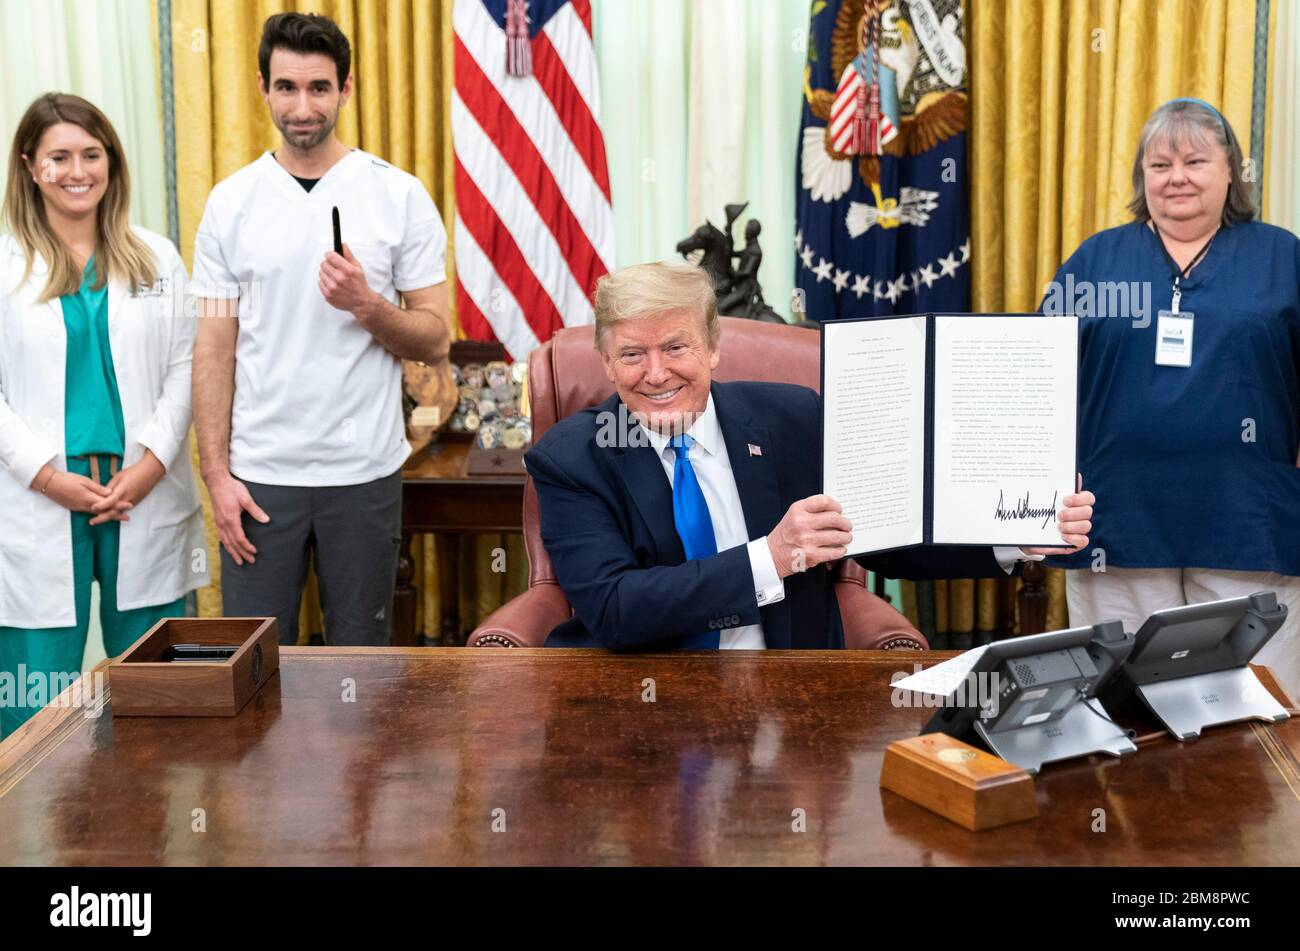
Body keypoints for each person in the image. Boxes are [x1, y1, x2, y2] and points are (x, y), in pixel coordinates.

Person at [525, 262, 1096, 650]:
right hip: (638, 703)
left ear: (714, 347)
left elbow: (884, 541)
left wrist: (1015, 536)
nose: (656, 373)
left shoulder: (792, 418)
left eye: (676, 347)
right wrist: (771, 557)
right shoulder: (573, 458)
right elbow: (616, 610)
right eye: (632, 354)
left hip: (790, 692)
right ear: (604, 361)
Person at [190, 12, 450, 646]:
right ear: (264, 88)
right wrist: (218, 476)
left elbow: (436, 339)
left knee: (359, 667)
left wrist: (368, 304)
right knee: (251, 668)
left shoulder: (399, 195)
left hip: (362, 473)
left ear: (346, 89)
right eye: (286, 87)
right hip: (259, 477)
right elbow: (214, 349)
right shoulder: (232, 201)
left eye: (318, 88)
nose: (302, 106)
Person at [1042, 98, 1300, 698]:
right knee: (1126, 709)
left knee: (1255, 711)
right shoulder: (1096, 260)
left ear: (1231, 170)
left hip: (1248, 523)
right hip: (1118, 524)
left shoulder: (1282, 257)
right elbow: (1040, 379)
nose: (1176, 176)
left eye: (1194, 160)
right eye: (1159, 164)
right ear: (1142, 177)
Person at [0, 93, 208, 738]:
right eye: (58, 156)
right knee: (34, 703)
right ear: (31, 166)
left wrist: (149, 466)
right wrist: (43, 475)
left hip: (139, 495)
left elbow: (186, 366)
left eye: (92, 154)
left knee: (156, 698)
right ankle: (30, 836)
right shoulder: (5, 263)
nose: (76, 171)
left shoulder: (155, 258)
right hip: (40, 500)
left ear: (112, 164)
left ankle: (145, 831)